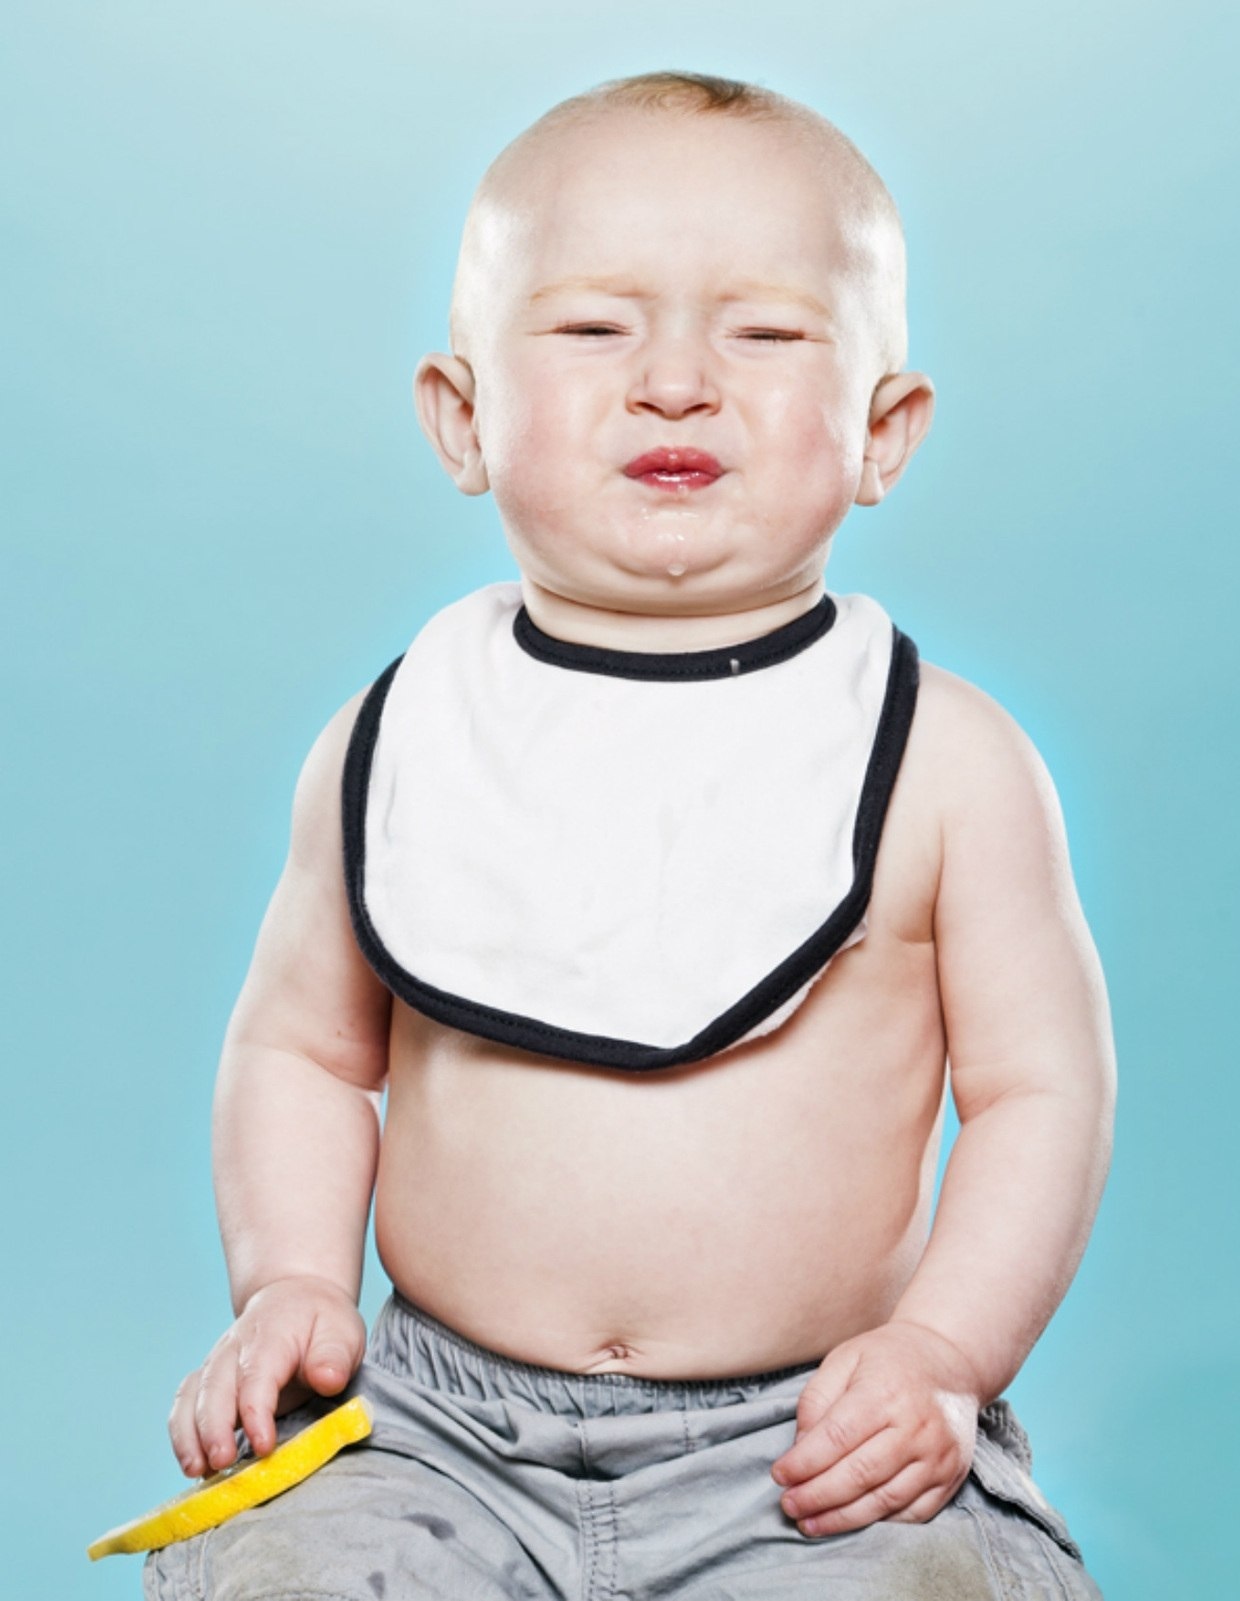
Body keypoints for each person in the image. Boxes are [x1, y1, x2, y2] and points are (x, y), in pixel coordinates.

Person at [145, 69, 1115, 1601]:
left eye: (767, 333)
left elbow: (1039, 1091)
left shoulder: (946, 760)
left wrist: (943, 1348)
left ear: (883, 431)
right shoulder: (396, 735)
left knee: (917, 1583)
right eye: (595, 327)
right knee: (295, 1574)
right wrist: (291, 1281)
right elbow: (305, 1051)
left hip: (811, 1436)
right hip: (436, 1426)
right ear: (463, 414)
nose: (675, 381)